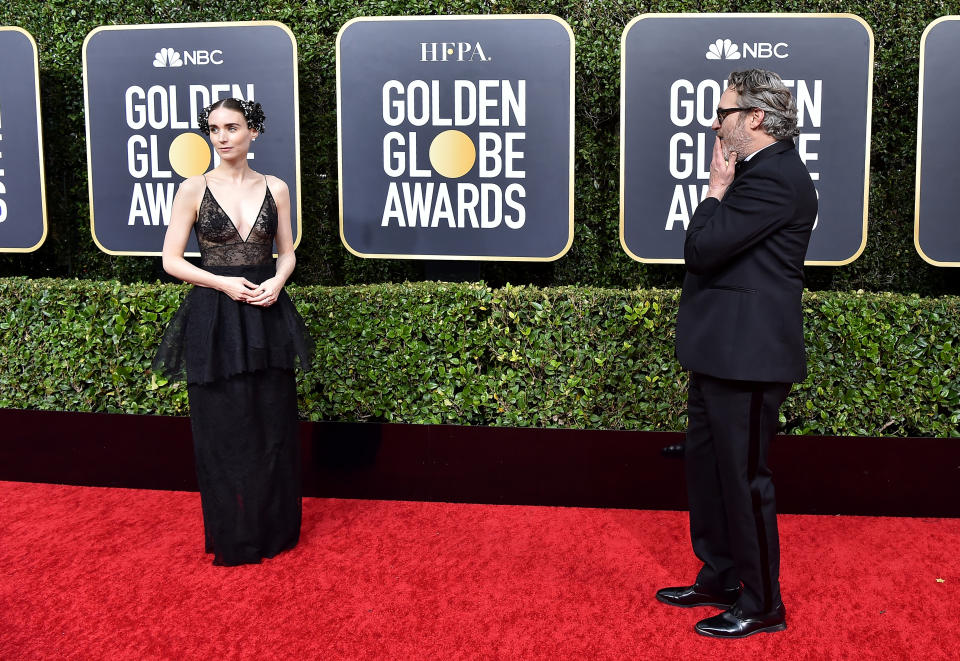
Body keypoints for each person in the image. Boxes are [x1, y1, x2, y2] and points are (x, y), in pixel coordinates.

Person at [656, 69, 818, 638]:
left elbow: (702, 250)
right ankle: (721, 575)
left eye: (722, 113)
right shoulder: (761, 175)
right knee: (708, 470)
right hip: (720, 354)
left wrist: (713, 192)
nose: (715, 124)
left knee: (745, 479)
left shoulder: (772, 179)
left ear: (754, 117)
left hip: (747, 361)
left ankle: (763, 601)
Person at [152, 98, 313, 566]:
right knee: (223, 429)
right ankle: (235, 535)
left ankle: (276, 530)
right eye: (214, 128)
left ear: (253, 133)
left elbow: (286, 252)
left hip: (267, 313)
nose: (221, 136)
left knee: (272, 424)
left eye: (232, 127)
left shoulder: (277, 189)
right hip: (216, 317)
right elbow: (172, 260)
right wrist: (221, 282)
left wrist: (279, 281)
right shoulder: (192, 189)